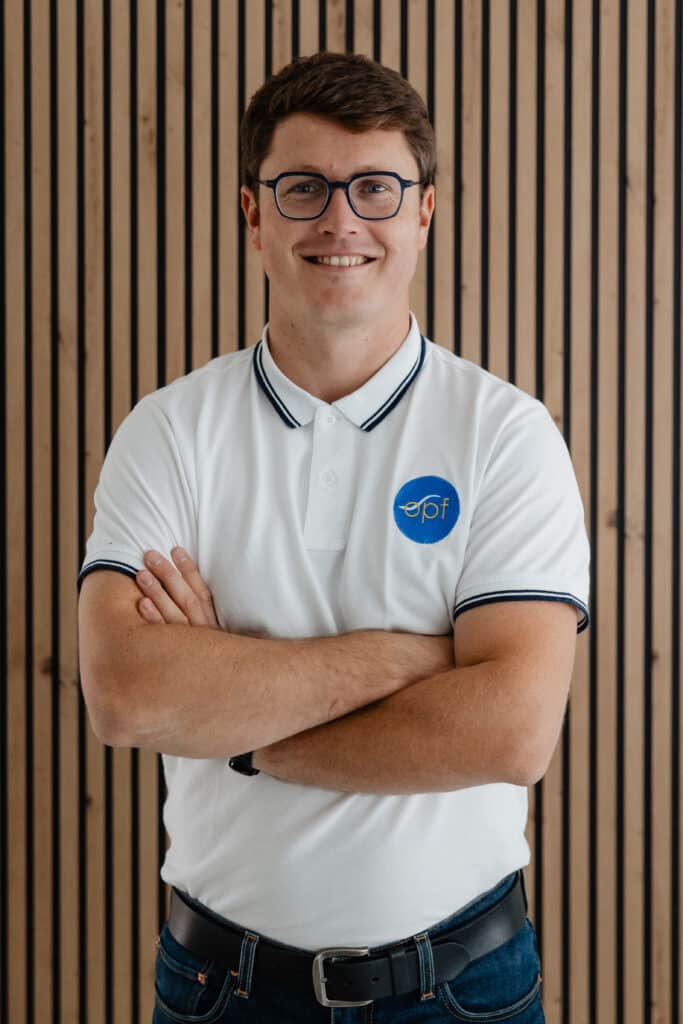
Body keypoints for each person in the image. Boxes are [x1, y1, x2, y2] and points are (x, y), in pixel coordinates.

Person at [77, 50, 590, 1024]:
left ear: (424, 212)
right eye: (303, 187)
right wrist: (408, 659)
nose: (340, 220)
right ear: (252, 213)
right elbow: (129, 693)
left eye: (376, 189)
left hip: (460, 989)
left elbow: (510, 727)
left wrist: (239, 726)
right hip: (220, 987)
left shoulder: (503, 435)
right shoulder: (171, 433)